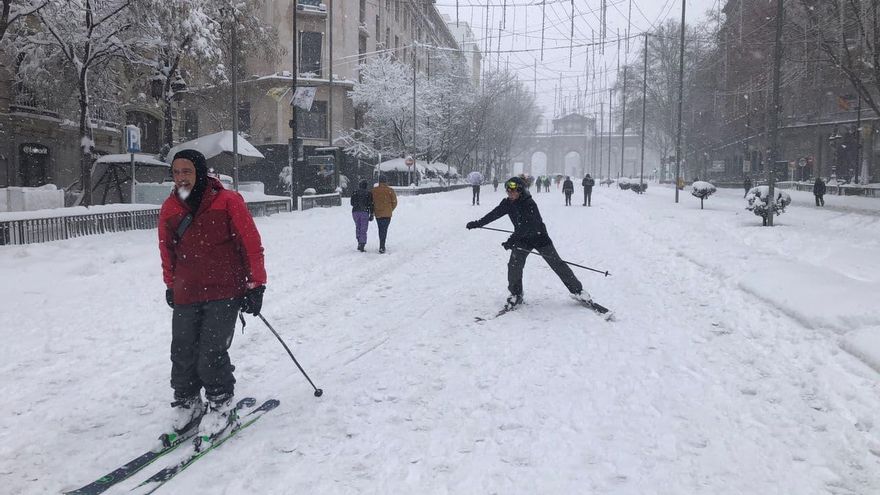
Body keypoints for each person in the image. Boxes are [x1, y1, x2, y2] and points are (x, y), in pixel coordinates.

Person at [158, 149, 266, 440]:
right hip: (186, 290)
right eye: (176, 172)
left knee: (211, 351)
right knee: (182, 350)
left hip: (224, 290)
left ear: (200, 172)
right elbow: (167, 250)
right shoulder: (170, 207)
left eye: (187, 171)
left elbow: (250, 243)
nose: (181, 177)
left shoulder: (228, 201)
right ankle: (188, 402)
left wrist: (256, 285)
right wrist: (170, 284)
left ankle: (220, 404)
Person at [465, 176, 589, 310]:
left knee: (557, 264)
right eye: (508, 191)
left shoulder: (529, 204)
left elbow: (527, 226)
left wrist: (511, 240)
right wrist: (478, 223)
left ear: (520, 191)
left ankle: (578, 291)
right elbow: (494, 214)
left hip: (539, 237)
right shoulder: (507, 203)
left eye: (513, 191)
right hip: (522, 239)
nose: (510, 193)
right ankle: (516, 294)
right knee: (514, 265)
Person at [371, 175, 398, 253]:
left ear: (379, 181)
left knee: (380, 229)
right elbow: (395, 202)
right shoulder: (390, 190)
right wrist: (390, 209)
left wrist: (374, 210)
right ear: (386, 181)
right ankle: (382, 246)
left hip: (378, 213)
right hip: (387, 214)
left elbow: (371, 202)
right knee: (384, 229)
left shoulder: (374, 190)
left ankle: (381, 244)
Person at [350, 179, 373, 251]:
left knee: (358, 226)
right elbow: (371, 204)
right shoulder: (368, 193)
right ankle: (362, 244)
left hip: (355, 212)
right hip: (364, 212)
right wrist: (371, 214)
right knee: (363, 228)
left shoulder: (355, 192)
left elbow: (352, 203)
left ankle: (358, 240)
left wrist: (357, 204)